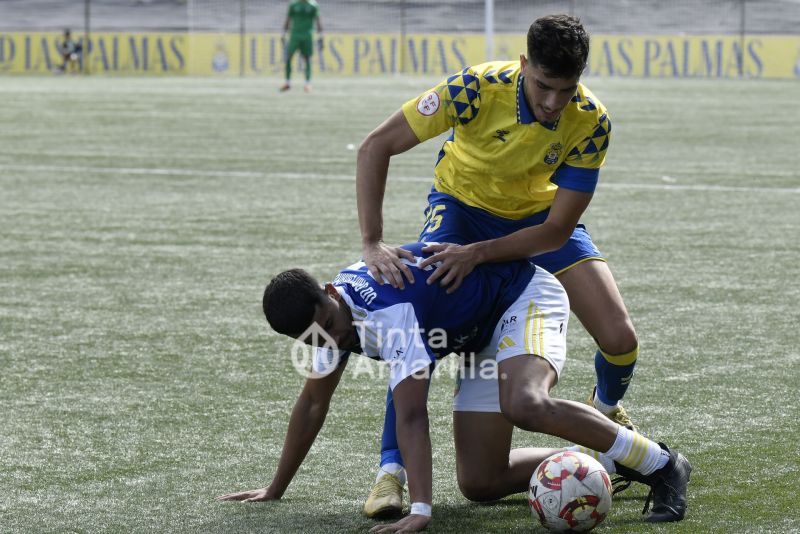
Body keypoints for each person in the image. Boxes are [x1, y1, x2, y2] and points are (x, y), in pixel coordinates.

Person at [356, 14, 643, 515]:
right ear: (524, 64)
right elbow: (376, 146)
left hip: (539, 223)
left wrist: (481, 255)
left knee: (620, 338)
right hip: (461, 212)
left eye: (566, 90)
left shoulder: (592, 121)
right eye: (543, 86)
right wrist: (372, 242)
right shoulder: (473, 89)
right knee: (421, 322)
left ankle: (605, 413)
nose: (553, 102)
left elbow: (557, 230)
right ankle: (390, 472)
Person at [217, 243, 691, 532]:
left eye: (328, 323)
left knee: (524, 402)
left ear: (330, 292)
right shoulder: (325, 324)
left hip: (522, 297)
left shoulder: (388, 312)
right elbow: (311, 405)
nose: (331, 338)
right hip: (476, 335)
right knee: (480, 482)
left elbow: (411, 415)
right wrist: (275, 488)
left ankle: (663, 464)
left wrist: (421, 509)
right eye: (313, 338)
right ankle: (612, 460)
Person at [280, 0, 323, 93]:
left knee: (307, 59)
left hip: (307, 35)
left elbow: (318, 21)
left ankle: (308, 83)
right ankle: (287, 82)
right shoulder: (293, 4)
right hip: (294, 35)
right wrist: (283, 34)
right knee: (288, 57)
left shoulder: (313, 5)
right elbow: (288, 19)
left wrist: (320, 36)